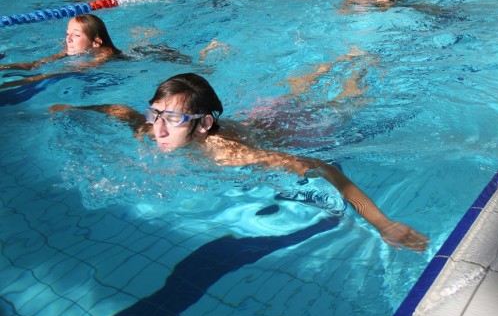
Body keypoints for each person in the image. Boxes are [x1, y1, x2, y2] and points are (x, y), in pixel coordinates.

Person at [49, 73, 429, 252]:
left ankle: (355, 73)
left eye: (172, 118)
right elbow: (119, 110)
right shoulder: (152, 128)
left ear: (203, 125)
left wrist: (383, 223)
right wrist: (72, 107)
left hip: (286, 131)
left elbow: (320, 167)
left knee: (341, 105)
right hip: (255, 118)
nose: (159, 129)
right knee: (299, 92)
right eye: (156, 114)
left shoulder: (228, 154)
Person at [0, 14, 121, 88]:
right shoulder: (72, 48)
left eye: (77, 35)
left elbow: (72, 70)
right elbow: (35, 64)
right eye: (68, 33)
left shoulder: (106, 54)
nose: (68, 39)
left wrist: (13, 84)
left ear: (96, 42)